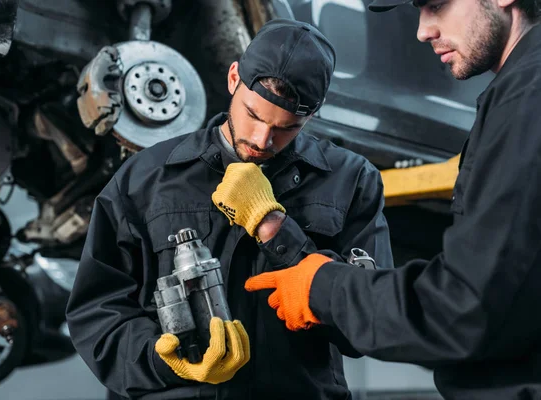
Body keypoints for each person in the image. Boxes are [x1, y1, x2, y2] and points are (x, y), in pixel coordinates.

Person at [243, 1, 541, 399]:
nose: (422, 30)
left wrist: (321, 287)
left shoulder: (536, 92)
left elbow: (462, 310)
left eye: (435, 6)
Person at [66, 18, 394, 400]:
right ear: (233, 78)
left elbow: (371, 319)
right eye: (253, 115)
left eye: (287, 127)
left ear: (314, 114)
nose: (262, 139)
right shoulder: (144, 179)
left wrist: (275, 228)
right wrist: (160, 361)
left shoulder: (351, 180)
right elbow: (97, 310)